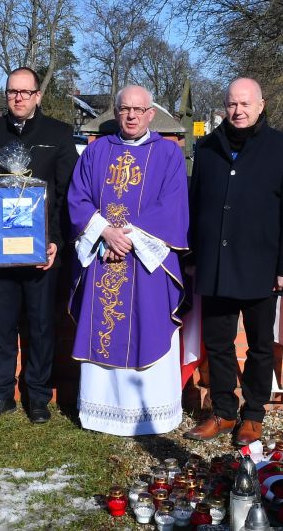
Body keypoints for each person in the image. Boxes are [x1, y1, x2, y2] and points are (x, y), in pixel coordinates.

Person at [184, 78, 283, 446]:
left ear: (261, 105)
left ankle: (253, 414)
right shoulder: (207, 148)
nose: (238, 111)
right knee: (218, 344)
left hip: (262, 267)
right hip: (215, 264)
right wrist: (192, 256)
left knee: (259, 347)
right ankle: (222, 411)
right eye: (232, 104)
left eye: (245, 104)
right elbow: (195, 205)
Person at [67, 85, 188, 436]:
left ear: (152, 114)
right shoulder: (95, 152)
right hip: (104, 255)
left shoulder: (168, 154)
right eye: (125, 109)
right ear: (116, 112)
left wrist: (128, 237)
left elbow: (173, 207)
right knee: (102, 326)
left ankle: (152, 415)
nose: (132, 115)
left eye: (139, 109)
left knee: (146, 324)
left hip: (145, 261)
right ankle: (101, 413)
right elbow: (77, 198)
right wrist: (105, 232)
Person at [0, 67, 78, 424]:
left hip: (43, 251)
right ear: (6, 94)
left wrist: (57, 241)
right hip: (0, 249)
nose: (19, 98)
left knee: (42, 324)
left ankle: (38, 396)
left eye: (26, 92)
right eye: (13, 91)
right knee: (1, 325)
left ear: (38, 96)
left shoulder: (58, 134)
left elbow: (68, 193)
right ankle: (0, 394)